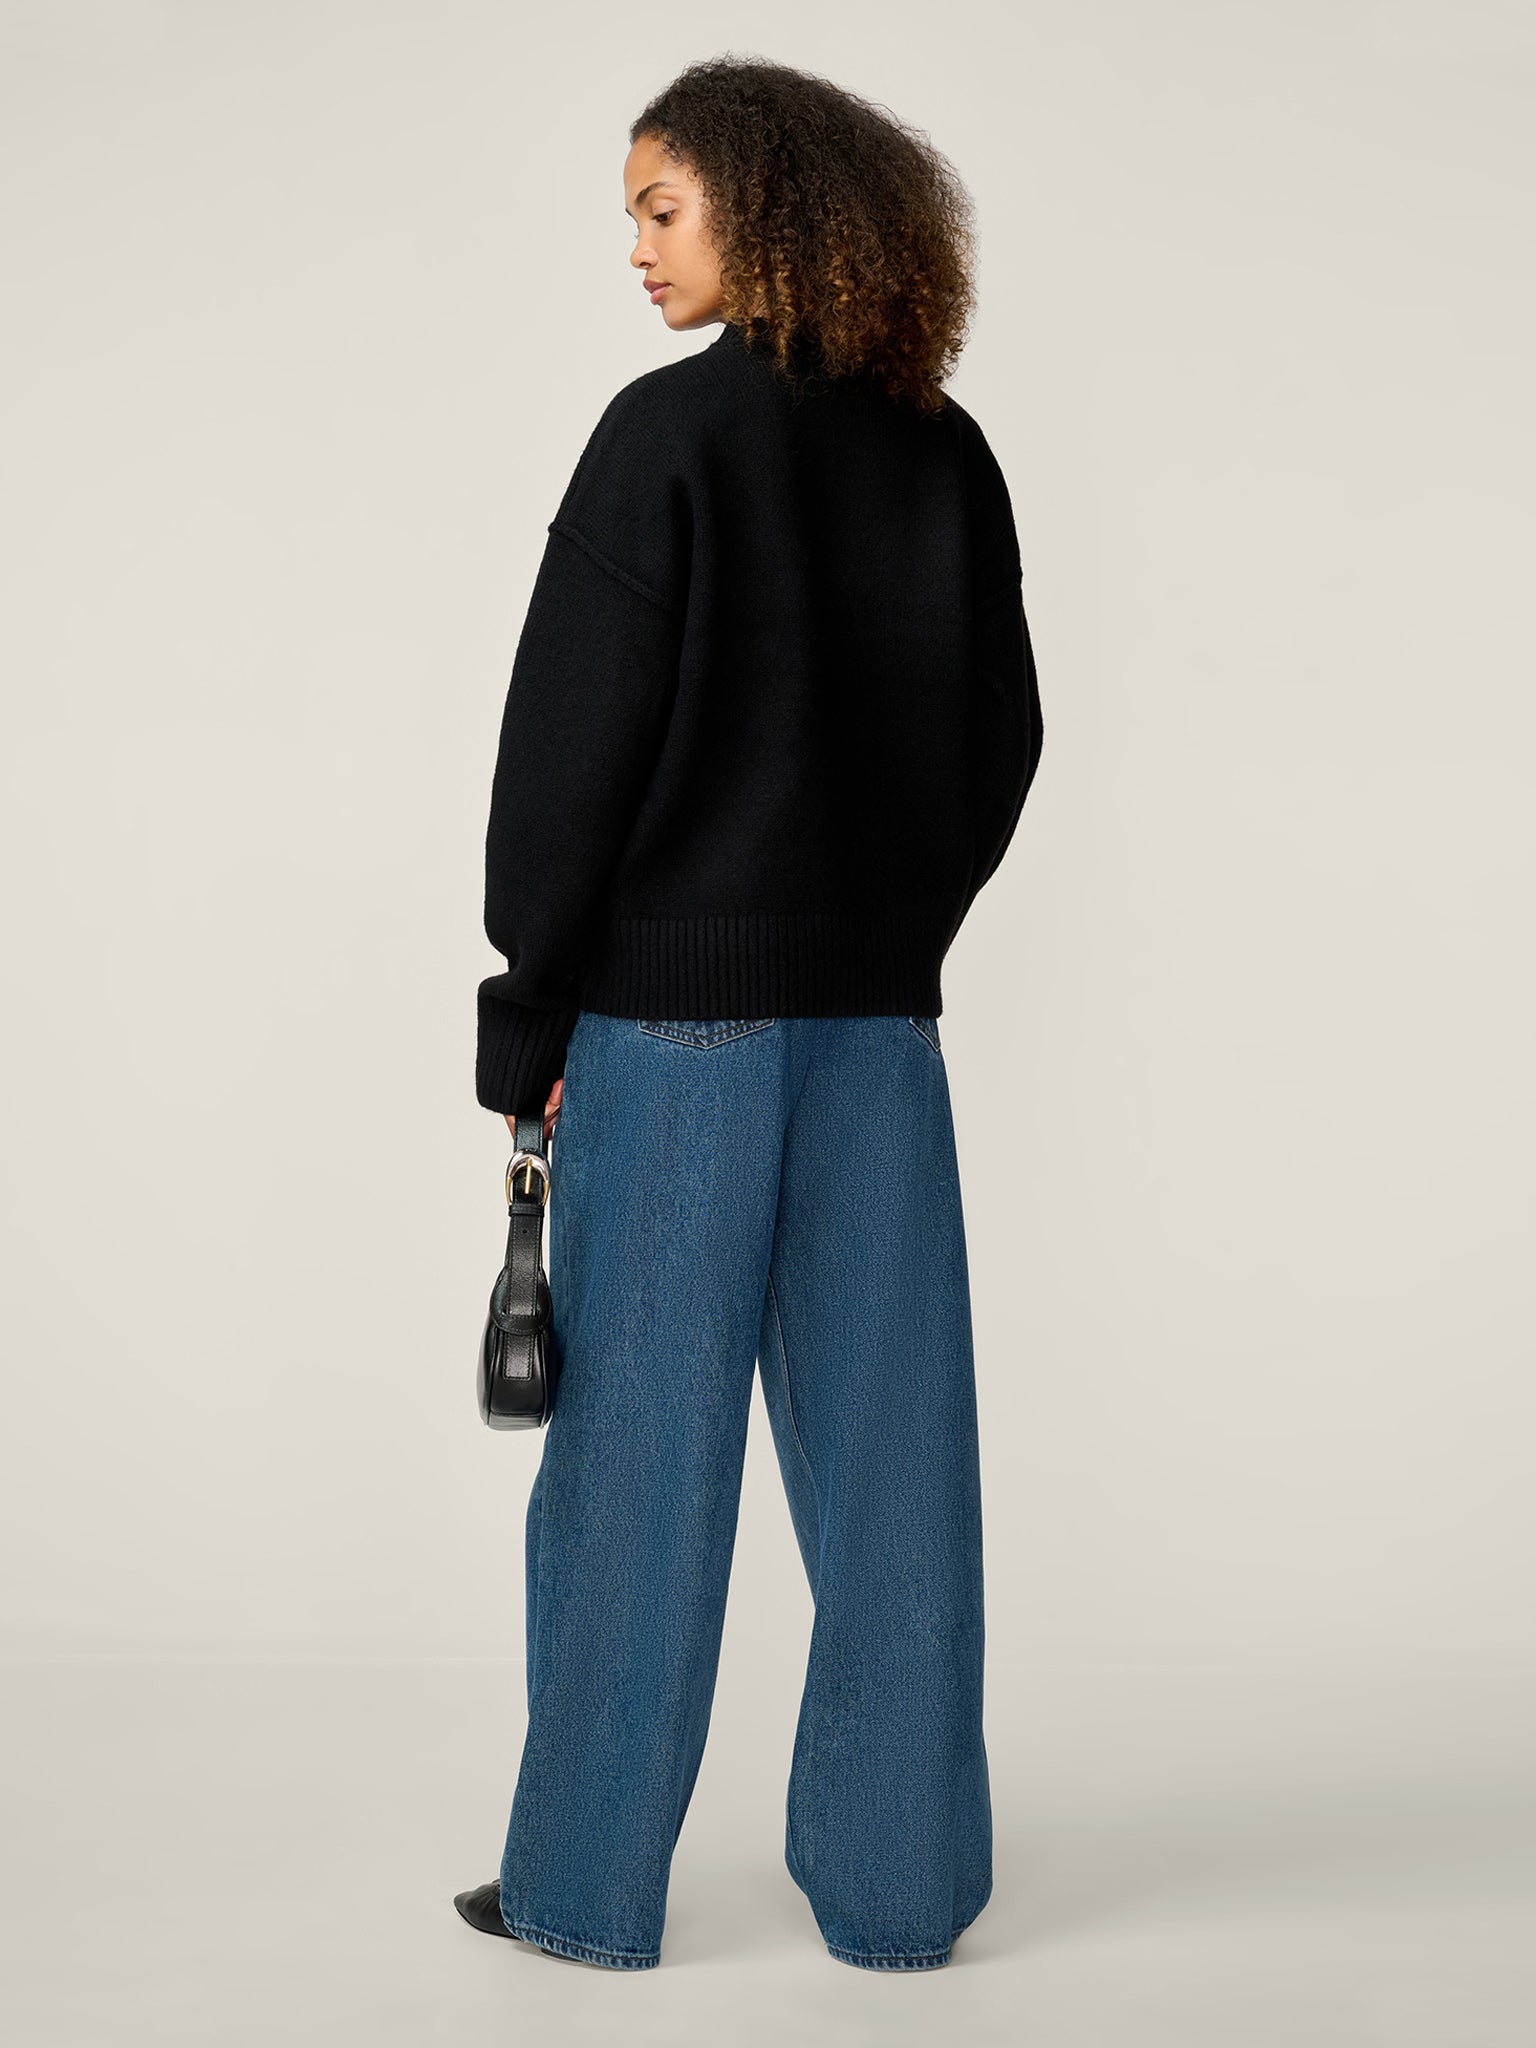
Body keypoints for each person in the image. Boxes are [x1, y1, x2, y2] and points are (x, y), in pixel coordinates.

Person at [453, 55, 1043, 1974]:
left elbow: (568, 761)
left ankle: (582, 1891)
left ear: (765, 209)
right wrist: (892, 935)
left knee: (637, 1462)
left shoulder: (669, 437)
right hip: (878, 1040)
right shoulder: (944, 453)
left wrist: (527, 1011)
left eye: (661, 207)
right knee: (897, 1469)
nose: (634, 248)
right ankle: (900, 1898)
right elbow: (1004, 744)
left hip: (675, 1035)